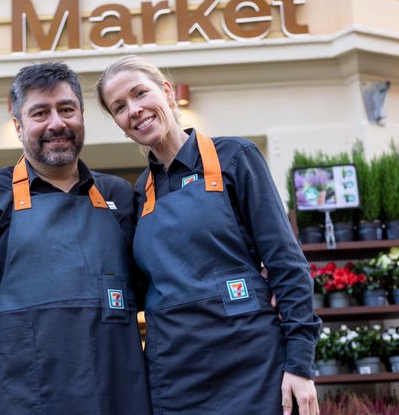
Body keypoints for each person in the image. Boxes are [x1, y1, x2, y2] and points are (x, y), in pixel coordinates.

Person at [95, 55, 322, 415]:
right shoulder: (140, 193)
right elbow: (139, 287)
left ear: (167, 92)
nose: (134, 110)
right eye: (120, 107)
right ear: (120, 125)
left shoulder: (235, 157)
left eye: (140, 94)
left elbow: (286, 262)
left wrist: (299, 364)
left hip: (253, 360)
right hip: (174, 370)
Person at [0, 62, 151, 415]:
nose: (56, 123)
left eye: (67, 109)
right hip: (21, 398)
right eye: (40, 113)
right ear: (18, 126)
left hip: (118, 395)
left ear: (81, 116)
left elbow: (157, 279)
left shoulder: (120, 197)